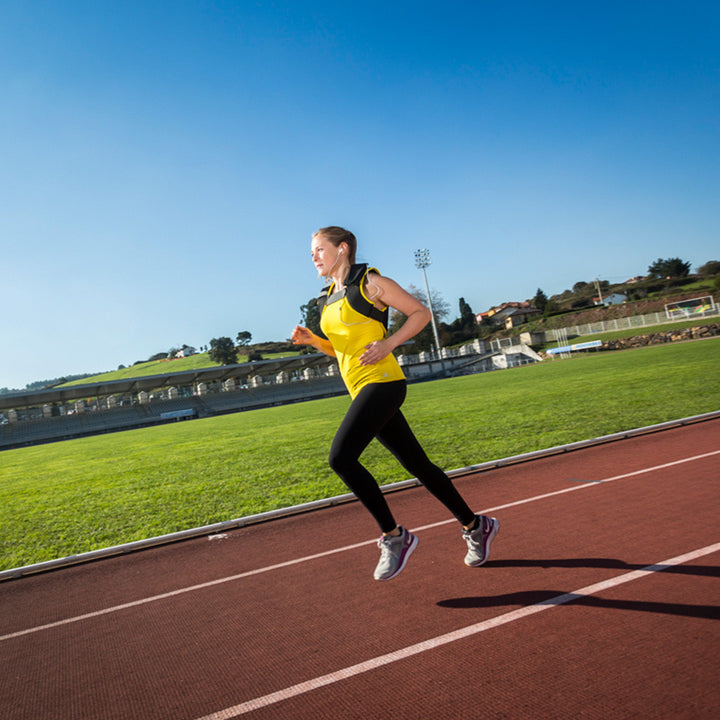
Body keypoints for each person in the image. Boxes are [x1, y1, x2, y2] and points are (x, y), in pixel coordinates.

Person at [292, 226, 499, 581]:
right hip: (361, 389)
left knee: (340, 458)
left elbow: (420, 313)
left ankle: (394, 536)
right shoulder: (327, 297)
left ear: (342, 249)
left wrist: (389, 345)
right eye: (311, 252)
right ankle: (475, 525)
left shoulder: (371, 283)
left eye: (318, 250)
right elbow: (341, 349)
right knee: (418, 465)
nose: (313, 257)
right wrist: (314, 341)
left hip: (384, 383)